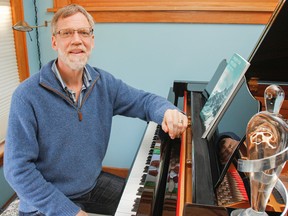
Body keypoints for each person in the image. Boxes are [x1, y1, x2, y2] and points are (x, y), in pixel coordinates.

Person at [3, 4, 188, 216]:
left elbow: (143, 101)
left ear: (92, 40)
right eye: (66, 33)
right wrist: (70, 212)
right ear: (54, 41)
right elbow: (17, 170)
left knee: (149, 207)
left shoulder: (103, 83)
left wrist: (167, 111)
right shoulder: (27, 96)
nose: (76, 40)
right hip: (45, 202)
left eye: (83, 32)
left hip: (91, 186)